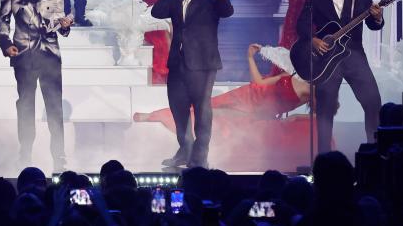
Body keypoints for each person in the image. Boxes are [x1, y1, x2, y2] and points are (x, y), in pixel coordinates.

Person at [134, 43, 317, 167]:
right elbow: (259, 83)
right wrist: (250, 58)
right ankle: (155, 115)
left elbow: (322, 113)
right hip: (247, 94)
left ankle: (193, 147)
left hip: (256, 112)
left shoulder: (312, 88)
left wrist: (295, 117)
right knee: (203, 107)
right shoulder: (290, 76)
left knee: (216, 118)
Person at [0, 0, 74, 171]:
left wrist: (65, 26)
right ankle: (25, 152)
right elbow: (3, 20)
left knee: (54, 106)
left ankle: (59, 156)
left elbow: (60, 20)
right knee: (26, 105)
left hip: (50, 54)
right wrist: (6, 44)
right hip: (24, 54)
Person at [297, 0, 383, 152]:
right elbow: (301, 24)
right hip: (327, 60)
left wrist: (378, 17)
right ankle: (323, 159)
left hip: (354, 56)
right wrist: (313, 41)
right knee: (325, 109)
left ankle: (376, 154)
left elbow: (373, 24)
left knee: (373, 102)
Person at [151, 0, 234, 169]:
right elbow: (156, 12)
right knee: (178, 108)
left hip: (203, 63)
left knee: (202, 109)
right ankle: (184, 151)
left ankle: (199, 156)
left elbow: (227, 11)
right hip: (178, 62)